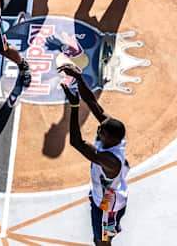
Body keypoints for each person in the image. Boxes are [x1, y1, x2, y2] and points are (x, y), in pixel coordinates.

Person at [58, 63, 129, 245]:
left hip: (108, 208)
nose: (98, 129)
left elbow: (77, 142)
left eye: (101, 131)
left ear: (111, 139)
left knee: (102, 241)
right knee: (99, 238)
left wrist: (74, 107)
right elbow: (91, 102)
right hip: (103, 197)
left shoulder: (110, 160)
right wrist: (79, 78)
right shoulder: (113, 133)